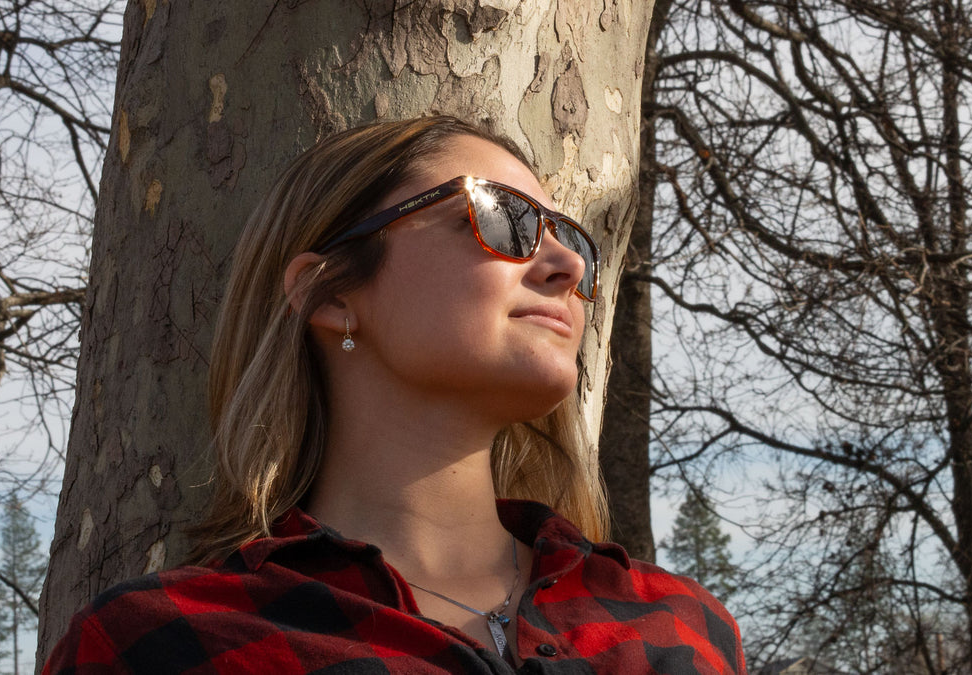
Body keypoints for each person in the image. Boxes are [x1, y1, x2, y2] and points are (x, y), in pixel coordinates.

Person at [43, 116, 747, 674]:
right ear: (331, 293)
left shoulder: (679, 628)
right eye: (503, 218)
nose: (565, 266)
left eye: (575, 244)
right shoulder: (162, 644)